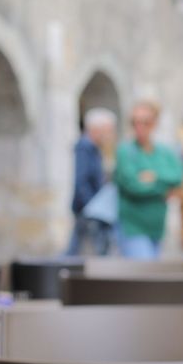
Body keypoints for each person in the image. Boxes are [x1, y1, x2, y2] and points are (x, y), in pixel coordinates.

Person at [113, 100, 183, 259]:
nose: (140, 127)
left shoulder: (164, 152)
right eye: (135, 122)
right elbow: (134, 186)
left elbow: (178, 177)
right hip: (133, 227)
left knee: (150, 276)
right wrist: (163, 188)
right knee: (144, 276)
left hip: (157, 229)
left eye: (145, 122)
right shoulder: (126, 151)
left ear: (154, 123)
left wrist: (153, 176)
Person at [66, 108, 116, 256]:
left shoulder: (94, 149)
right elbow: (81, 180)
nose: (109, 134)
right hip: (89, 209)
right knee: (81, 251)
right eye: (108, 130)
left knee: (78, 250)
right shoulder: (84, 147)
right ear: (96, 129)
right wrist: (91, 206)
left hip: (91, 208)